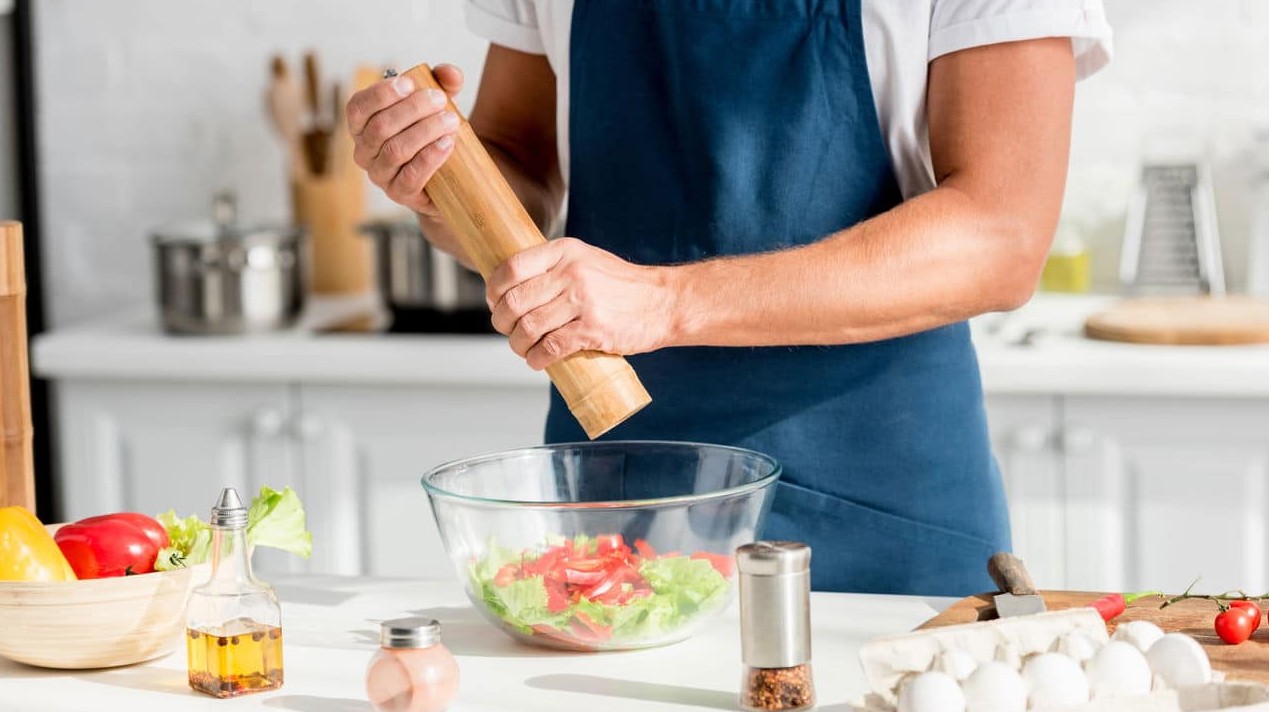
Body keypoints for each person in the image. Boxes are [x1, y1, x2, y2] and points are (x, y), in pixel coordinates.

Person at [347, 0, 1113, 595]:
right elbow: (518, 162)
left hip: (883, 504)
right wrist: (438, 180)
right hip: (617, 505)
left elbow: (1001, 236)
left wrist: (665, 302)